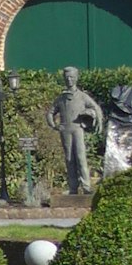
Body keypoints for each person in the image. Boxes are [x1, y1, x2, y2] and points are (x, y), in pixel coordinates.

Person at [47, 66, 105, 194]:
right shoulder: (60, 99)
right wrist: (54, 125)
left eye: (72, 77)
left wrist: (99, 122)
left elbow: (96, 108)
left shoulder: (83, 97)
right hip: (65, 130)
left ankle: (86, 187)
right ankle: (73, 187)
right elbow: (50, 112)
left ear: (77, 78)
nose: (69, 80)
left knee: (81, 157)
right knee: (69, 158)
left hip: (78, 129)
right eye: (67, 77)